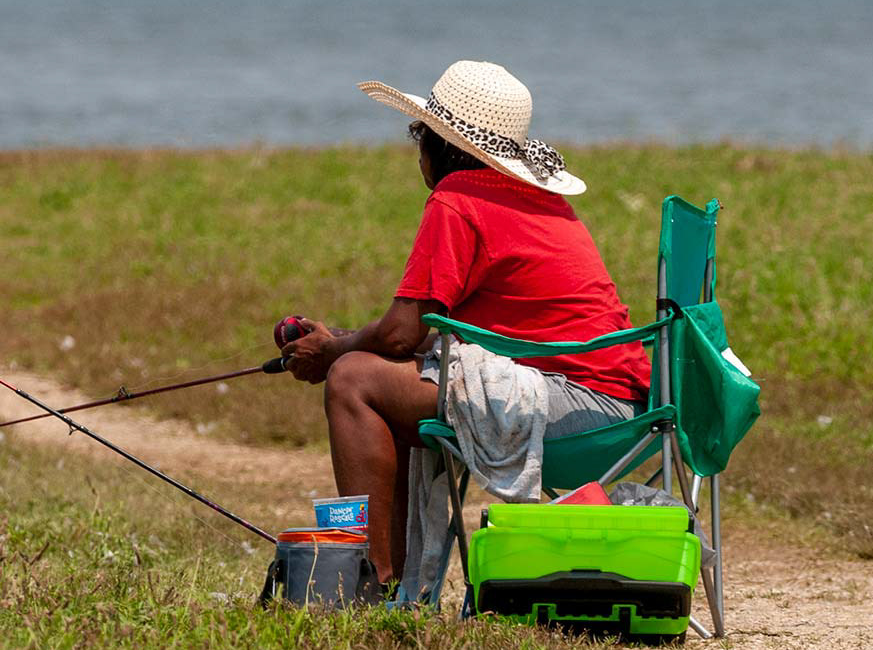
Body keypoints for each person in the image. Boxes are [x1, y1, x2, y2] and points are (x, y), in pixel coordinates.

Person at [279, 60, 650, 584]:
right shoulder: (535, 196)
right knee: (380, 372)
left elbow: (402, 333)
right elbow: (413, 330)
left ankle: (371, 579)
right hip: (630, 416)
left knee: (353, 381)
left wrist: (334, 353)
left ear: (436, 147)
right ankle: (391, 577)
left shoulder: (458, 200)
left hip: (580, 414)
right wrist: (347, 340)